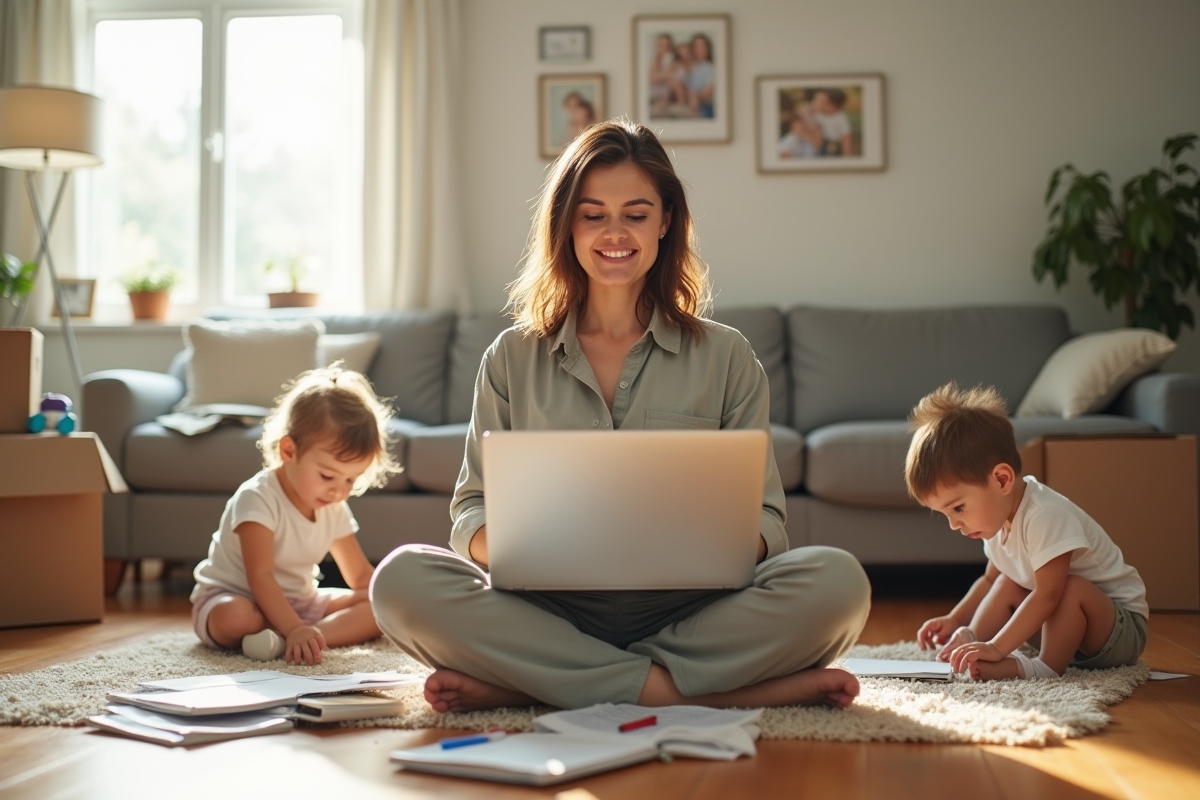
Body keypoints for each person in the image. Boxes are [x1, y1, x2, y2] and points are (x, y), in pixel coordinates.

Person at [370, 118, 871, 713]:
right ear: (567, 226)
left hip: (692, 609)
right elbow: (470, 510)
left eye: (635, 214)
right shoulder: (510, 356)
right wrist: (511, 543)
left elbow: (767, 519)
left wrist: (705, 544)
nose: (615, 233)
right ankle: (689, 690)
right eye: (593, 214)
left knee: (838, 584)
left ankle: (537, 684)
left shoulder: (728, 355)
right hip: (547, 608)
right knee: (402, 581)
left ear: (665, 222)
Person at [906, 383, 1148, 680]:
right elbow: (990, 580)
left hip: (1117, 632)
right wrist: (958, 621)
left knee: (1070, 586)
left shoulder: (1044, 515)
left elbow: (1049, 595)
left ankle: (1045, 668)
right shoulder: (996, 521)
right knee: (1007, 580)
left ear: (1002, 479)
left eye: (958, 508)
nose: (954, 524)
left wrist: (997, 648)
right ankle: (972, 641)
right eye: (944, 514)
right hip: (1063, 627)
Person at [191, 366, 401, 664]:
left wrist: (394, 597)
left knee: (380, 607)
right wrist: (293, 626)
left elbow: (360, 576)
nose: (339, 491)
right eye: (328, 475)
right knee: (235, 618)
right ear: (289, 451)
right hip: (240, 598)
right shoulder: (257, 497)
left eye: (351, 480)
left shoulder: (332, 504)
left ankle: (298, 640)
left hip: (302, 603)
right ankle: (294, 634)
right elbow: (259, 576)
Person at [808, 89, 854, 156]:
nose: (813, 103)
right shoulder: (815, 113)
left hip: (832, 145)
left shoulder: (840, 118)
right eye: (814, 99)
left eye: (818, 100)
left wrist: (847, 157)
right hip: (817, 142)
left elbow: (846, 139)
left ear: (831, 106)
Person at [685, 33, 716, 118]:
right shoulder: (690, 66)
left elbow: (709, 90)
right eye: (697, 46)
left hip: (706, 106)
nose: (701, 49)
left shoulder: (711, 67)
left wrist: (695, 98)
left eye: (703, 46)